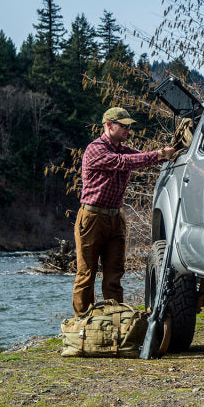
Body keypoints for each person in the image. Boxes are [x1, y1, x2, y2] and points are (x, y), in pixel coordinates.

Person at [72, 107, 175, 316]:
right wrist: (159, 154)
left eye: (128, 126)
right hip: (92, 218)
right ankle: (81, 325)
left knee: (114, 276)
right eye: (123, 126)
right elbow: (125, 162)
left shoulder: (123, 148)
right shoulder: (96, 149)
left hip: (116, 219)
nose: (127, 129)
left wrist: (166, 153)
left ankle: (113, 323)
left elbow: (144, 158)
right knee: (86, 275)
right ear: (108, 125)